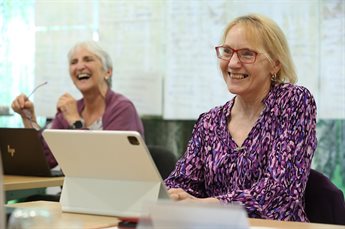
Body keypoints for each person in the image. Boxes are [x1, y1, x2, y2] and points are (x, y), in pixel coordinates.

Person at [165, 14, 317, 222]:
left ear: (275, 64)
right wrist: (174, 196)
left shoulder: (293, 102)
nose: (233, 63)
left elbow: (279, 194)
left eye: (247, 54)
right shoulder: (209, 121)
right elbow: (183, 181)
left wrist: (205, 205)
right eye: (227, 52)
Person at [12, 41, 144, 168]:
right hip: (74, 189)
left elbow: (107, 165)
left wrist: (76, 122)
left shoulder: (122, 109)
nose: (79, 67)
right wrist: (29, 119)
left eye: (88, 59)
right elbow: (45, 160)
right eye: (73, 62)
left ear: (108, 72)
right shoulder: (69, 110)